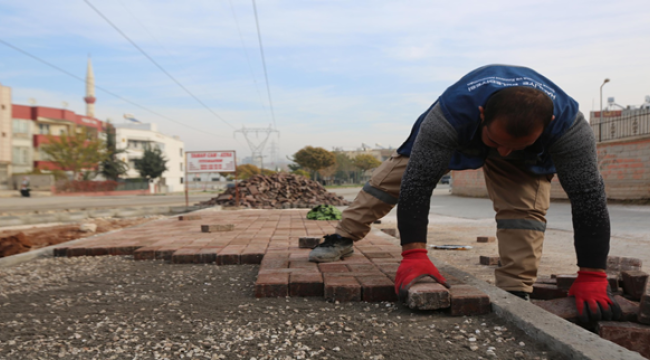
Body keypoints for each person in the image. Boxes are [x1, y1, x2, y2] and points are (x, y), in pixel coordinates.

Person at [308, 64, 621, 323]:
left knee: (523, 212)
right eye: (496, 141)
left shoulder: (569, 127)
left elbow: (589, 199)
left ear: (549, 123)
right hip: (459, 132)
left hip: (528, 149)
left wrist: (593, 273)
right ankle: (343, 236)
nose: (504, 152)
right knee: (389, 181)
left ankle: (515, 292)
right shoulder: (450, 113)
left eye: (515, 145)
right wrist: (414, 254)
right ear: (482, 113)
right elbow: (419, 184)